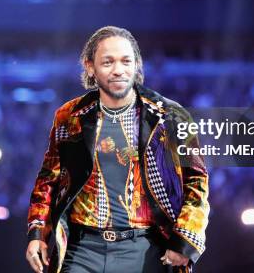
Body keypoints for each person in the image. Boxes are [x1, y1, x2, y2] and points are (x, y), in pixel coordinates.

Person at [26, 26, 209, 273]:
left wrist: (185, 242)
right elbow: (48, 179)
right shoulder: (69, 116)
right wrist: (38, 232)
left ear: (136, 64)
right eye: (108, 62)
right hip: (81, 250)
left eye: (126, 61)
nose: (118, 70)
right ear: (90, 67)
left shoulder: (170, 116)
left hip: (145, 249)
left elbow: (196, 181)